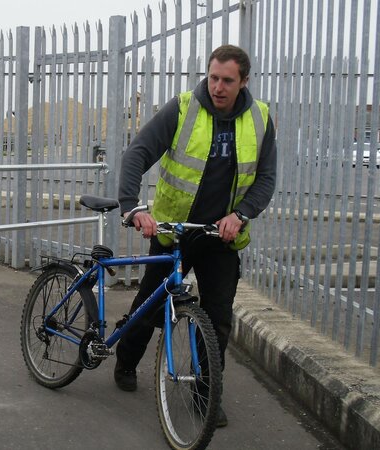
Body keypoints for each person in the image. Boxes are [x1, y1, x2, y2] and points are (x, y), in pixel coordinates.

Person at [115, 45, 277, 428]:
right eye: (213, 77)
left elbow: (267, 179)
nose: (218, 87)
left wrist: (242, 215)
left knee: (218, 319)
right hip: (175, 232)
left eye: (227, 80)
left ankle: (206, 392)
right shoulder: (183, 108)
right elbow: (137, 153)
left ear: (244, 81)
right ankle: (125, 361)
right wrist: (133, 206)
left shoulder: (260, 118)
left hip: (221, 238)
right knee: (149, 307)